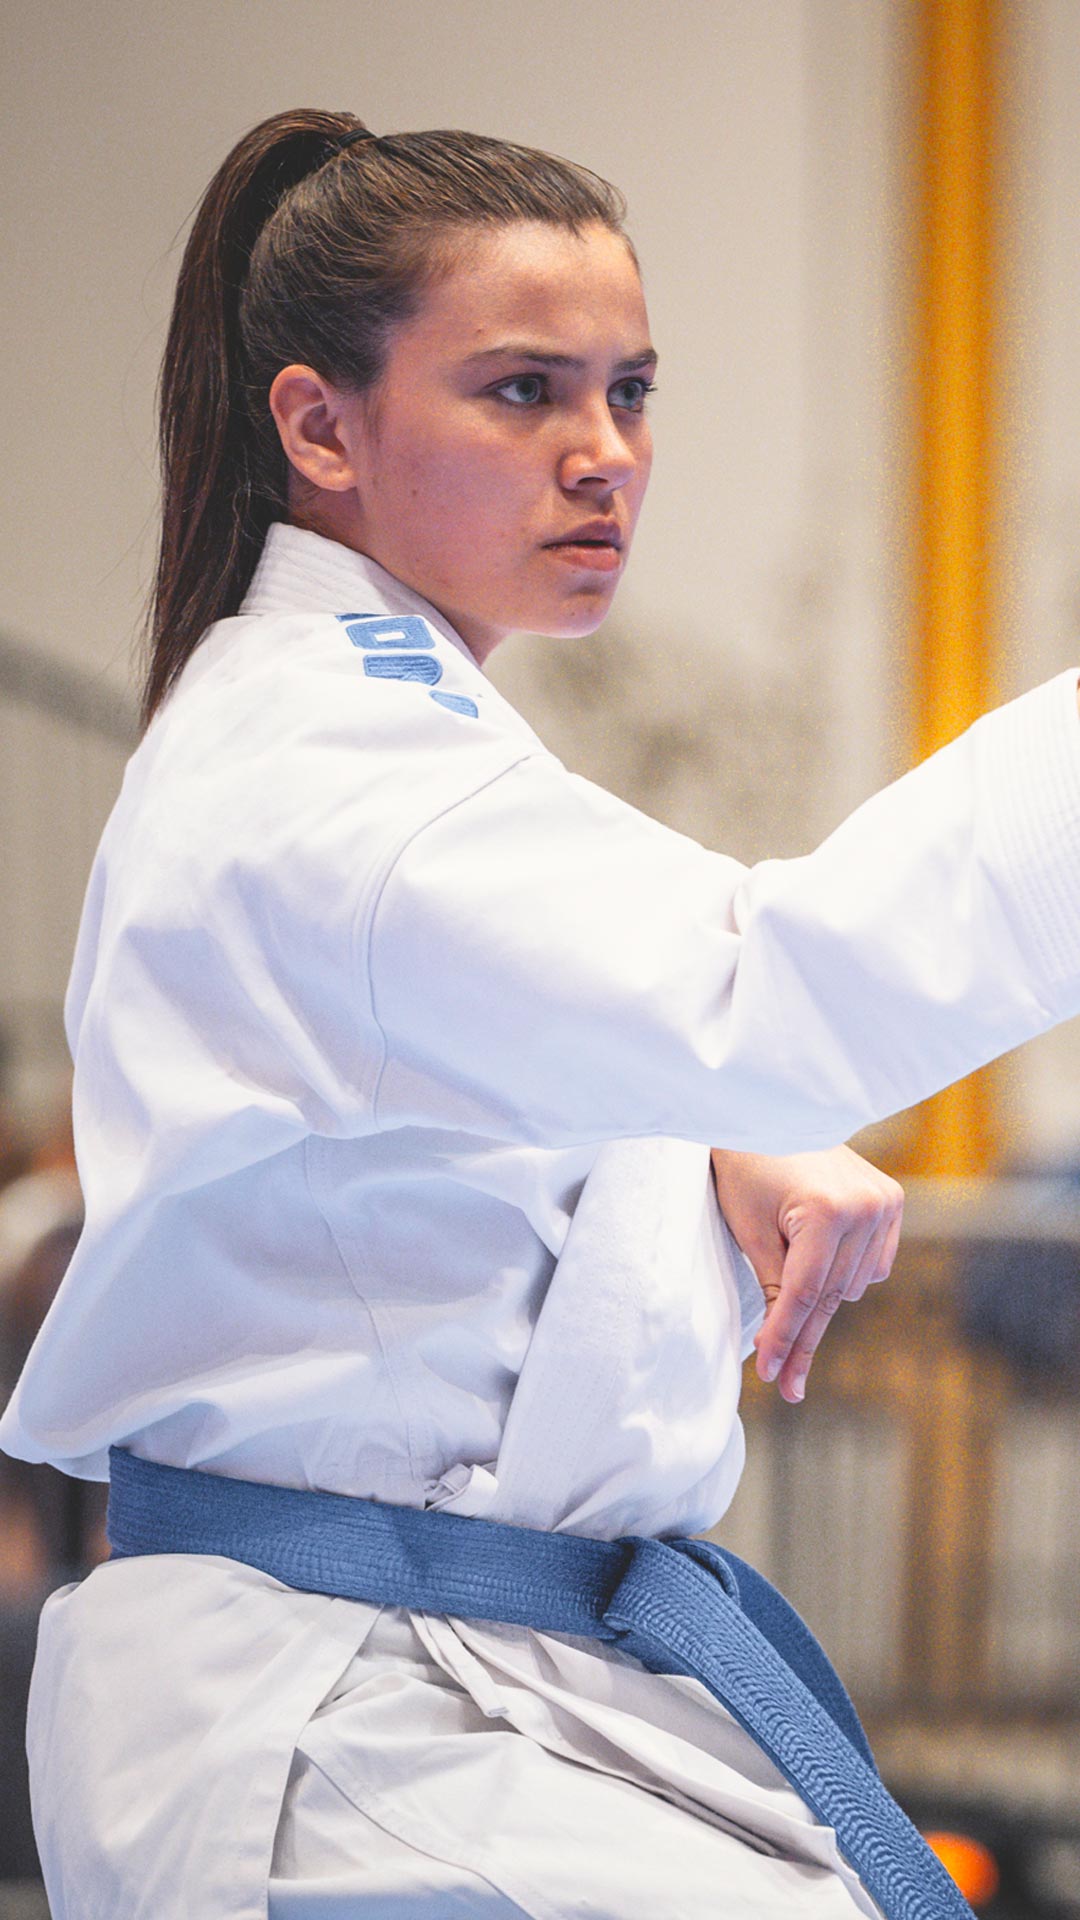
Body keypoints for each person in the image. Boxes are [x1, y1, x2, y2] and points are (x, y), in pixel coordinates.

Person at [3, 106, 1080, 1920]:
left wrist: (691, 1139)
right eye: (522, 393)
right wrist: (730, 1082)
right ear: (319, 425)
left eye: (632, 391)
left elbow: (456, 1099)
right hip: (347, 1714)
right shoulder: (339, 773)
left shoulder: (382, 731)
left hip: (452, 1677)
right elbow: (768, 987)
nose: (604, 457)